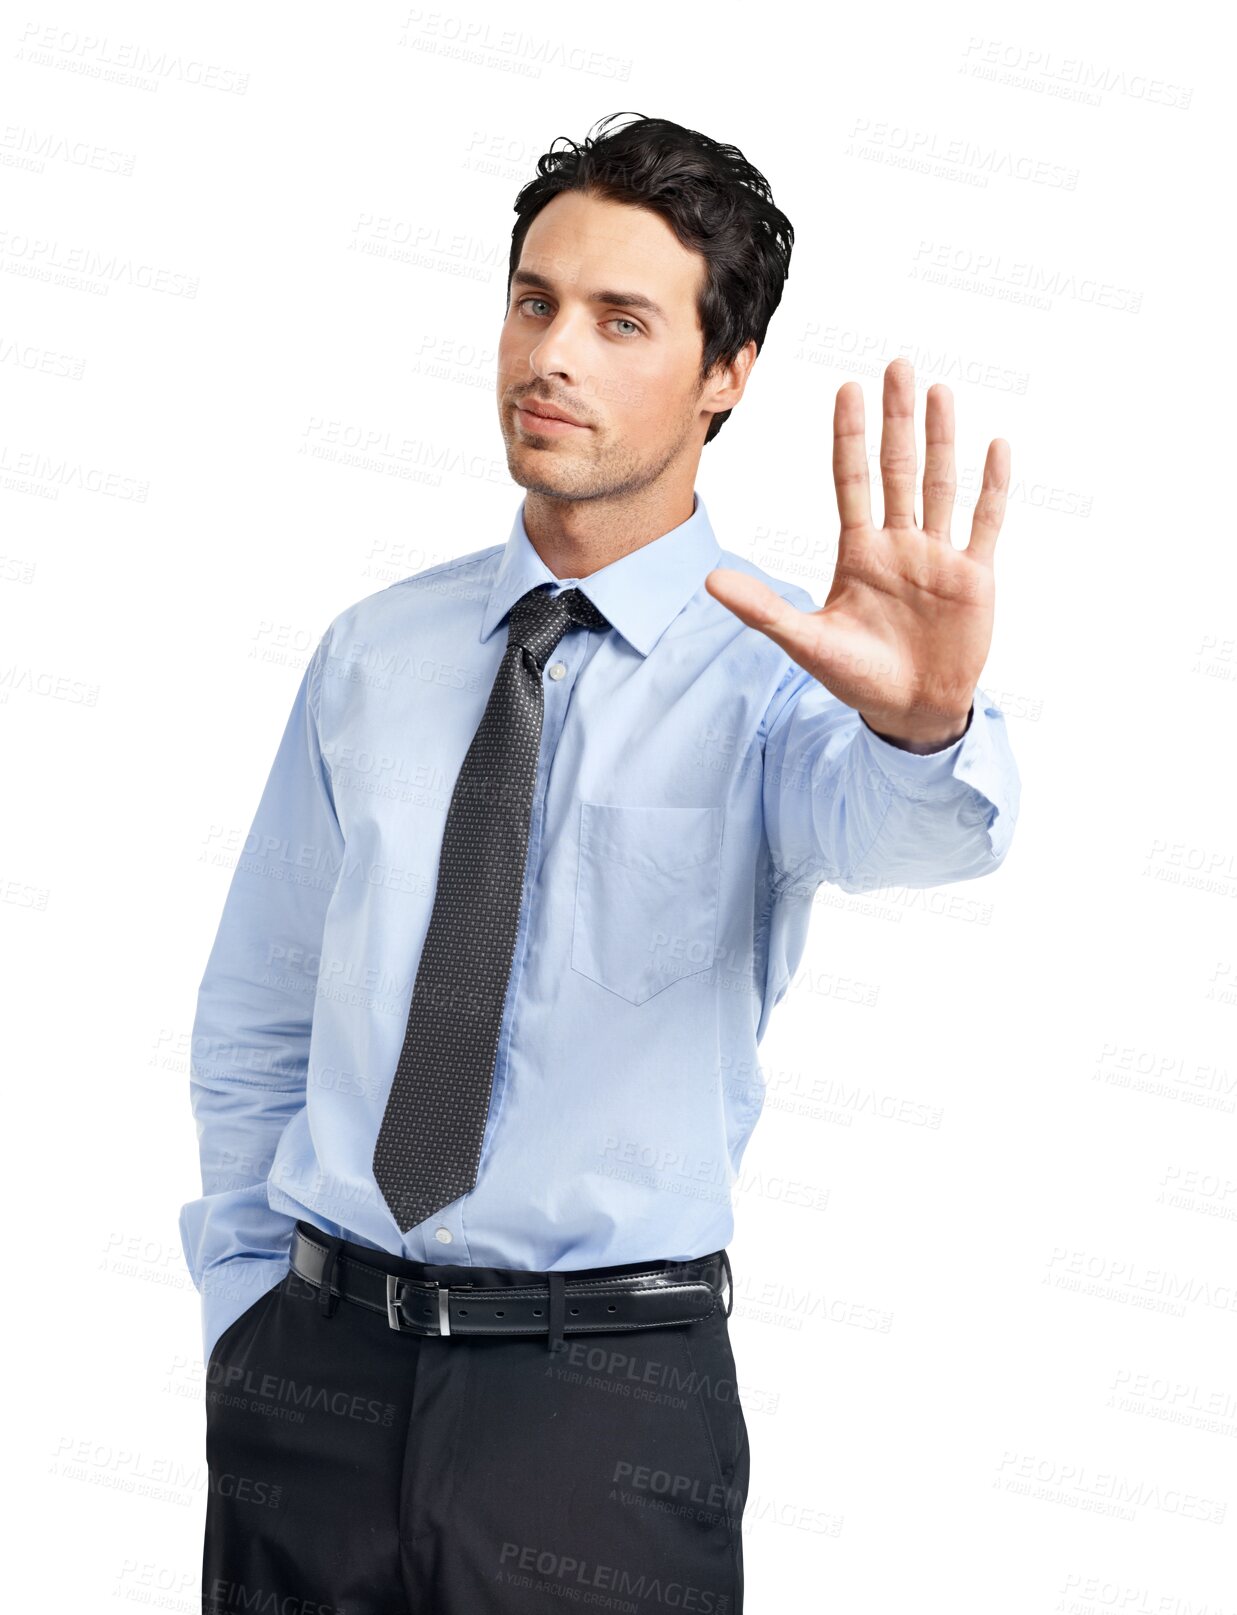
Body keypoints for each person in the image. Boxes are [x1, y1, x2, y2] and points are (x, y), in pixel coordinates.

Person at [181, 110, 1020, 1615]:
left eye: (620, 320)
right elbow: (260, 1009)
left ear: (722, 376)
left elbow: (907, 834)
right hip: (312, 1387)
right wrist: (247, 1315)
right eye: (533, 300)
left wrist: (921, 722)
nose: (550, 352)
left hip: (602, 1413)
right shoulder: (376, 651)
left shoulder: (783, 670)